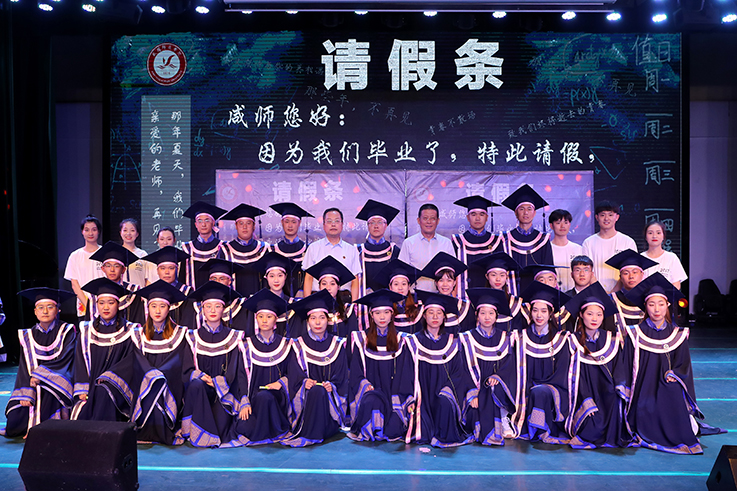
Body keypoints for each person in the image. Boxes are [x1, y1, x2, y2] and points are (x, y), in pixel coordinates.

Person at [622, 273, 706, 454]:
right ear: (645, 306)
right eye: (651, 304)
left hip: (666, 384)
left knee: (673, 394)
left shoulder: (677, 334)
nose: (656, 309)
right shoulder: (635, 334)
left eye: (661, 304)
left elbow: (683, 363)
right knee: (645, 409)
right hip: (642, 388)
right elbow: (626, 365)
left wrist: (674, 374)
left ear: (667, 305)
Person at [396, 290, 475, 447]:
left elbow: (459, 372)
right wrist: (410, 398)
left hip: (444, 393)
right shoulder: (413, 342)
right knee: (422, 434)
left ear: (444, 317)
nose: (435, 317)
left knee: (444, 406)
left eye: (439, 313)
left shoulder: (452, 341)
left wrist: (447, 391)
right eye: (430, 313)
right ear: (424, 316)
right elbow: (406, 372)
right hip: (422, 399)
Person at [176, 281, 245, 448]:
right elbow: (186, 369)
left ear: (224, 309)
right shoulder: (192, 337)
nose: (213, 310)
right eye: (208, 306)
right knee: (196, 384)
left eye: (217, 306)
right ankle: (193, 431)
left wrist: (217, 382)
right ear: (202, 310)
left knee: (222, 431)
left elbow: (235, 370)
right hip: (201, 391)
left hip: (224, 393)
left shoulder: (234, 337)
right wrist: (201, 376)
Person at [1, 288, 76, 438]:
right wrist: (26, 392)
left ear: (58, 310)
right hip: (33, 382)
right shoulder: (28, 335)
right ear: (35, 312)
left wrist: (41, 375)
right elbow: (24, 366)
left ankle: (39, 429)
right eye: (40, 308)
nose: (45, 311)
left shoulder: (67, 330)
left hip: (59, 380)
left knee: (47, 390)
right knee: (15, 422)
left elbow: (66, 358)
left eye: (50, 307)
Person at [564, 282, 630, 449]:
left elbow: (619, 367)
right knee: (591, 412)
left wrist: (619, 385)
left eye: (599, 315)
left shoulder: (611, 339)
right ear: (581, 315)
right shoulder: (571, 340)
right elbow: (570, 373)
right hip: (581, 390)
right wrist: (585, 395)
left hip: (605, 388)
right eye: (590, 314)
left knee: (614, 398)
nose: (594, 319)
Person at [130, 281, 194, 445]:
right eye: (153, 306)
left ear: (169, 308)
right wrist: (152, 376)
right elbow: (137, 361)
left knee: (159, 384)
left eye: (162, 306)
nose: (157, 311)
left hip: (170, 382)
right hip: (144, 382)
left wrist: (159, 376)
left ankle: (163, 430)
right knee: (152, 384)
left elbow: (178, 362)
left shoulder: (180, 333)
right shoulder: (138, 334)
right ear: (148, 308)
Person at [282, 290, 349, 447]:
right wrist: (304, 382)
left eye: (322, 317)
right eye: (313, 318)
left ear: (328, 320)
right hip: (307, 408)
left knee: (320, 391)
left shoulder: (337, 344)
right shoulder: (298, 345)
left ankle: (317, 432)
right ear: (308, 321)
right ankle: (311, 431)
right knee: (316, 391)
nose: (318, 322)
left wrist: (332, 386)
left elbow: (341, 377)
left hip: (329, 408)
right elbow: (294, 374)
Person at [71, 278, 138, 422]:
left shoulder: (130, 330)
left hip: (118, 387)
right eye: (101, 303)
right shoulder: (87, 330)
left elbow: (131, 361)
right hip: (90, 388)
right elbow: (80, 361)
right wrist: (83, 389)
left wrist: (109, 378)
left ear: (118, 305)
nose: (105, 307)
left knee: (104, 391)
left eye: (111, 303)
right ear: (96, 305)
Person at [513, 282, 572, 444]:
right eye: (535, 310)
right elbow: (514, 368)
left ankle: (541, 430)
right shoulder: (520, 337)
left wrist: (545, 386)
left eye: (544, 311)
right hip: (524, 387)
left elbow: (562, 371)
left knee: (539, 392)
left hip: (554, 388)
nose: (539, 315)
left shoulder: (561, 339)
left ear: (551, 313)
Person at [460, 288, 519, 445]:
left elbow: (510, 364)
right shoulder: (466, 338)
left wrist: (498, 376)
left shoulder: (506, 337)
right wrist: (472, 394)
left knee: (497, 385)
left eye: (491, 313)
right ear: (477, 315)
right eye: (483, 313)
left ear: (496, 316)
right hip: (476, 387)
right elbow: (463, 369)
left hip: (497, 386)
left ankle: (503, 417)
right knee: (476, 417)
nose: (487, 317)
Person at [235, 289, 293, 445]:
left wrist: (280, 383)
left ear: (276, 320)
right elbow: (241, 375)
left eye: (269, 316)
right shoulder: (246, 345)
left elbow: (294, 373)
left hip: (279, 397)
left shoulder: (286, 344)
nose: (264, 320)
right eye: (261, 316)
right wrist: (244, 399)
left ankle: (276, 428)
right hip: (254, 398)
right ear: (256, 319)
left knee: (265, 396)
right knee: (243, 427)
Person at [348, 289, 408, 441]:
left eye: (386, 312)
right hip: (371, 393)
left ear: (392, 314)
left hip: (394, 396)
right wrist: (365, 384)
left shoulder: (402, 340)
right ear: (371, 315)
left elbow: (405, 373)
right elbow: (355, 372)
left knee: (394, 430)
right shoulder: (361, 340)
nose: (382, 317)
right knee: (372, 402)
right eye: (377, 313)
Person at [355, 200, 402, 331]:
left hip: (388, 305)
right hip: (364, 305)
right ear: (367, 226)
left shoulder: (394, 251)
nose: (376, 226)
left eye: (380, 222)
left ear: (386, 226)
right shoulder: (358, 251)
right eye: (372, 223)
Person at [500, 185, 554, 295]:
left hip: (537, 294)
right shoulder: (505, 239)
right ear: (516, 213)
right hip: (511, 293)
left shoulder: (543, 240)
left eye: (529, 209)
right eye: (521, 209)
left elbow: (548, 270)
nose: (526, 213)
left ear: (534, 213)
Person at [302, 208, 362, 301]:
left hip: (344, 298)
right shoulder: (313, 248)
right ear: (324, 225)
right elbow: (308, 278)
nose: (333, 224)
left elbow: (355, 280)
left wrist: (354, 305)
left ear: (342, 225)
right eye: (329, 221)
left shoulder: (351, 250)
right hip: (318, 298)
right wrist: (307, 303)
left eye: (337, 221)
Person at [451, 195, 506, 294]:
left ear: (487, 217)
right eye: (473, 214)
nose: (477, 218)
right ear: (468, 217)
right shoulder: (458, 241)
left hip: (491, 295)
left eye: (482, 214)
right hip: (465, 294)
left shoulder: (496, 241)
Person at [295, 256, 358, 339]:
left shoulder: (347, 310)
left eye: (332, 284)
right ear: (319, 287)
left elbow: (352, 339)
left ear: (338, 287)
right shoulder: (311, 310)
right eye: (324, 284)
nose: (328, 288)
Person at [582, 201, 637, 294]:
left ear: (617, 217)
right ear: (597, 217)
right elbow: (586, 271)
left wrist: (613, 293)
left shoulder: (628, 242)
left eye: (610, 215)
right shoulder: (588, 243)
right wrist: (602, 293)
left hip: (622, 294)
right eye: (602, 215)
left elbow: (630, 270)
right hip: (595, 293)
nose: (606, 218)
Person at [398, 203, 455, 292]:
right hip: (415, 295)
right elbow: (401, 272)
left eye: (432, 218)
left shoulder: (446, 243)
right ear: (418, 220)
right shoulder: (408, 243)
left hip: (440, 295)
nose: (429, 222)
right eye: (425, 218)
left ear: (438, 221)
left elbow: (453, 273)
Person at [220, 203, 271, 297]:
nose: (244, 227)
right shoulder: (225, 250)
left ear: (254, 226)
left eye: (248, 223)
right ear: (236, 226)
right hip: (233, 302)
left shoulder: (264, 249)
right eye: (241, 223)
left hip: (259, 301)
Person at [88, 241, 144, 323]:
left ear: (123, 269)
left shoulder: (132, 292)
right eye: (108, 266)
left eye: (116, 266)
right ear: (103, 269)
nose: (112, 270)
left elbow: (138, 320)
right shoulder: (95, 293)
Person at [604, 249, 658, 334]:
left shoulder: (651, 299)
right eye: (626, 273)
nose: (631, 276)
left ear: (642, 275)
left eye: (635, 272)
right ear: (620, 278)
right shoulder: (611, 300)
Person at [468, 253, 525, 332]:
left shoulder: (515, 303)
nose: (498, 279)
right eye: (493, 275)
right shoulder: (477, 302)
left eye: (502, 275)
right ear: (487, 276)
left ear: (506, 277)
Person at [140, 246, 195, 328]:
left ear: (177, 270)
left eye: (171, 268)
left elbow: (189, 321)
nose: (167, 272)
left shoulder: (187, 293)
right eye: (162, 268)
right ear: (157, 271)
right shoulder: (150, 293)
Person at [420, 252, 474, 334]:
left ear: (454, 283)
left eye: (449, 280)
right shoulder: (426, 308)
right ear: (436, 283)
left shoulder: (465, 308)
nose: (445, 284)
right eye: (441, 280)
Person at [270, 202, 314, 298]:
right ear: (282, 223)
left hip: (301, 297)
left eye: (293, 222)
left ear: (299, 223)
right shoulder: (273, 250)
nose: (290, 225)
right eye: (287, 221)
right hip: (279, 298)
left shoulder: (307, 250)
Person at [180, 201, 228, 290]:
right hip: (192, 296)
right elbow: (182, 278)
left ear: (213, 223)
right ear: (196, 225)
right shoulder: (187, 248)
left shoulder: (223, 247)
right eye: (200, 221)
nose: (203, 224)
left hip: (216, 296)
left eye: (207, 220)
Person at [64, 215, 104, 319]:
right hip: (84, 306)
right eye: (87, 230)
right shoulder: (75, 256)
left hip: (105, 305)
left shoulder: (105, 253)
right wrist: (89, 305)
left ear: (99, 231)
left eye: (94, 230)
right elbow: (74, 284)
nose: (90, 233)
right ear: (82, 232)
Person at [250, 251, 298, 337]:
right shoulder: (257, 302)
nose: (276, 280)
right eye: (272, 276)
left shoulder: (292, 305)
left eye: (280, 275)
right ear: (266, 277)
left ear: (285, 276)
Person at [371, 259, 424, 335]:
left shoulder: (419, 307)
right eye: (396, 284)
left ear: (409, 286)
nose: (400, 288)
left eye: (404, 284)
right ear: (390, 287)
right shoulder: (384, 307)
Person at [641, 220, 688, 289]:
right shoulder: (640, 258)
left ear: (663, 236)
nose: (654, 236)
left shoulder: (671, 258)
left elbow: (676, 284)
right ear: (645, 236)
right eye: (650, 233)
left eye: (658, 233)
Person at [548, 209, 582, 293]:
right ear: (551, 226)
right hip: (553, 294)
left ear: (569, 225)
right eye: (558, 223)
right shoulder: (547, 249)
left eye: (566, 222)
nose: (562, 226)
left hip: (575, 294)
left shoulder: (578, 249)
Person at [119, 218, 150, 287]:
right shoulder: (115, 253)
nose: (128, 233)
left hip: (138, 292)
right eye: (125, 230)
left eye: (132, 230)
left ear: (137, 234)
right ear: (120, 233)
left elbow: (147, 279)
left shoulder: (143, 254)